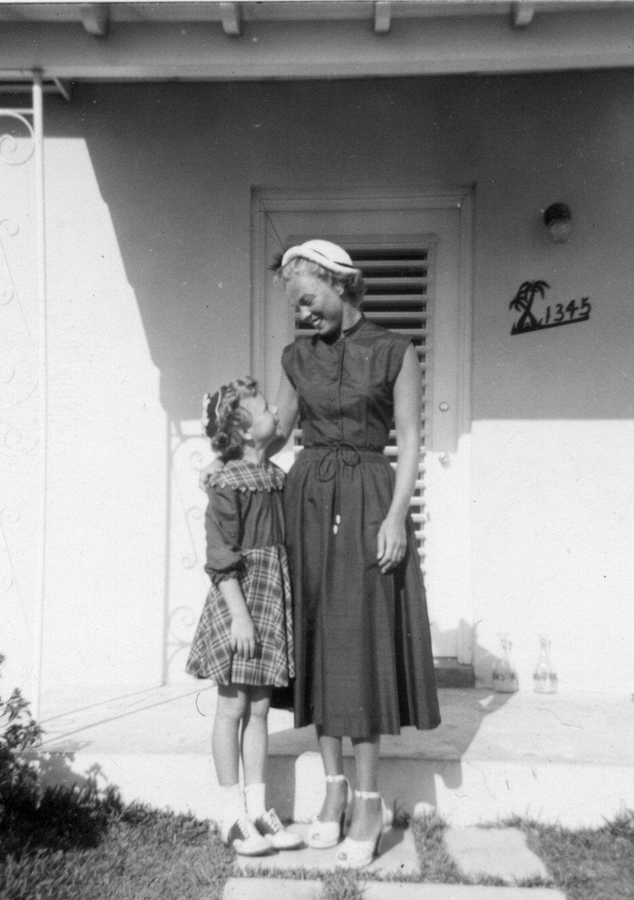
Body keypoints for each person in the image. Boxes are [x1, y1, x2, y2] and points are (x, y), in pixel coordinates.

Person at [202, 240, 441, 868]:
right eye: (296, 307)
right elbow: (271, 432)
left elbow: (413, 439)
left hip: (368, 497)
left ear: (342, 285)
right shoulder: (294, 356)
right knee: (317, 640)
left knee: (357, 641)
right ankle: (331, 794)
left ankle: (368, 799)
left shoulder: (395, 350)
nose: (304, 314)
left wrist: (397, 517)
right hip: (304, 499)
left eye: (309, 301)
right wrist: (224, 451)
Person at [186, 377, 303, 857]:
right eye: (262, 407)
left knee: (258, 711)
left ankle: (257, 809)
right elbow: (220, 554)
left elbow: (282, 423)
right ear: (244, 431)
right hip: (240, 603)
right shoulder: (228, 482)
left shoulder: (272, 473)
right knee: (232, 707)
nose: (274, 407)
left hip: (269, 598)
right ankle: (230, 815)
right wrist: (239, 616)